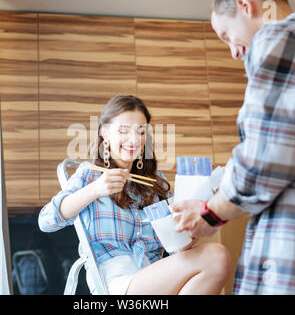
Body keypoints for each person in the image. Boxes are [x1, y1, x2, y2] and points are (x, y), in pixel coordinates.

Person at [174, 0, 295, 294]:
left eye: (227, 35)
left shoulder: (279, 38)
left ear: (244, 4)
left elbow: (262, 164)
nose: (233, 52)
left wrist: (209, 214)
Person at [39, 94, 232, 295]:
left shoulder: (155, 183)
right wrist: (95, 189)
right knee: (216, 256)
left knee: (217, 261)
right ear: (104, 132)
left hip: (157, 276)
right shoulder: (90, 174)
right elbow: (46, 221)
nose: (133, 140)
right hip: (116, 282)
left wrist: (188, 235)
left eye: (140, 132)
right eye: (123, 131)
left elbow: (176, 249)